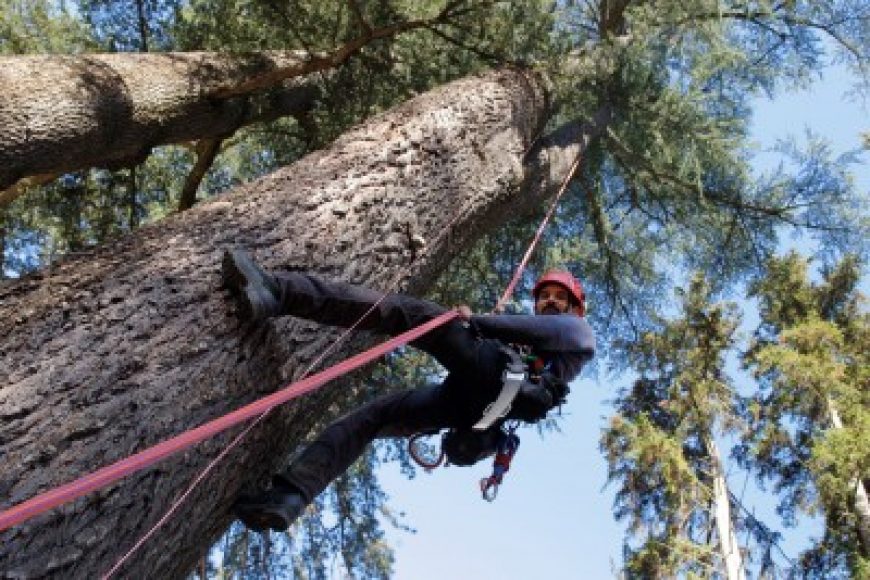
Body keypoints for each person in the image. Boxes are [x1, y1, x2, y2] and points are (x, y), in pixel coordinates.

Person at [221, 250, 595, 532]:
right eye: (544, 295)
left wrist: (474, 321)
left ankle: (280, 293)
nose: (549, 300)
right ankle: (290, 495)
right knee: (374, 417)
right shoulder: (542, 337)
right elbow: (522, 335)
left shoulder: (578, 331)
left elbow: (533, 332)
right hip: (471, 402)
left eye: (559, 297)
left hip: (494, 384)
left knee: (414, 316)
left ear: (575, 307)